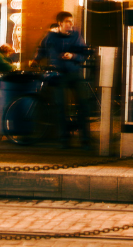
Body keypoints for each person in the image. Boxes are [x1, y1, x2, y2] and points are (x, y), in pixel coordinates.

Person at [31, 11, 91, 150]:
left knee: (83, 105)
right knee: (61, 107)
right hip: (58, 75)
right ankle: (64, 139)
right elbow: (42, 49)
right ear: (60, 23)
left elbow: (84, 53)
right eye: (68, 22)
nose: (71, 24)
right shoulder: (50, 36)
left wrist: (73, 56)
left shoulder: (76, 36)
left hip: (73, 73)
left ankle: (85, 139)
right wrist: (36, 60)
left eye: (71, 21)